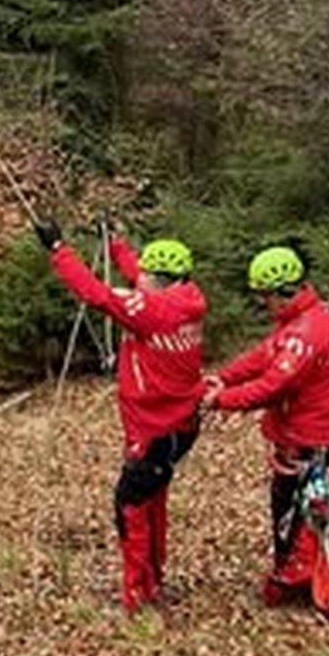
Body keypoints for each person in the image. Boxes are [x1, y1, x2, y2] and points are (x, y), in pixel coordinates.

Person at [36, 221, 205, 613]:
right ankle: (153, 580)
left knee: (129, 506)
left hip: (155, 430)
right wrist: (115, 244)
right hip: (179, 426)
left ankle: (137, 595)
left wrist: (58, 248)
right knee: (152, 501)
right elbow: (135, 275)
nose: (139, 276)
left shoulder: (153, 310)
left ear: (161, 280)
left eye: (147, 273)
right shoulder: (186, 298)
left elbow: (94, 293)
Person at [203, 241, 329, 615]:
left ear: (283, 292)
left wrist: (220, 400)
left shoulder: (306, 332)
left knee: (292, 513)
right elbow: (263, 355)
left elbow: (273, 384)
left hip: (310, 436)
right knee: (293, 507)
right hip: (303, 431)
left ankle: (292, 580)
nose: (264, 304)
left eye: (266, 296)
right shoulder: (302, 320)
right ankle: (298, 574)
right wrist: (223, 377)